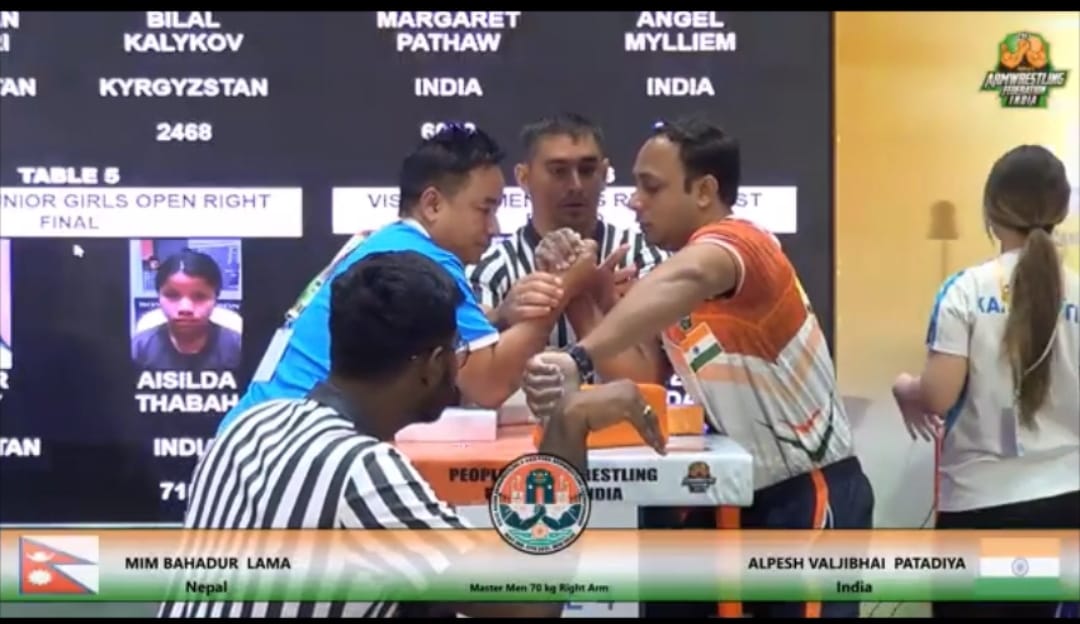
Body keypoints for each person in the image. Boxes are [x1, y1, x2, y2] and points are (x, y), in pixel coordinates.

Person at [159, 250, 664, 618]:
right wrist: (568, 426)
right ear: (435, 365)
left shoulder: (250, 425)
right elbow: (529, 601)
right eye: (459, 351)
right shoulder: (362, 471)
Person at [523, 115, 874, 619]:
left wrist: (578, 356)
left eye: (651, 187)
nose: (633, 201)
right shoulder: (670, 277)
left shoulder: (744, 242)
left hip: (810, 486)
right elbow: (643, 378)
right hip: (738, 494)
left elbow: (690, 274)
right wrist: (583, 296)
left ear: (705, 191)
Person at [217, 125, 596, 435]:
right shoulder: (425, 259)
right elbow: (489, 384)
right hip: (288, 445)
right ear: (433, 204)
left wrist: (501, 316)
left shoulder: (384, 240)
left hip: (254, 436)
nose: (494, 227)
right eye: (485, 210)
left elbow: (443, 342)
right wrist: (562, 290)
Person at [892, 145, 1079, 619]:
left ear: (991, 211)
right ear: (1060, 210)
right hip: (1066, 504)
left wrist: (904, 388)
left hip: (983, 505)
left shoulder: (966, 290)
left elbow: (937, 396)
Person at [469, 113, 668, 382]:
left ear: (605, 173)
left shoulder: (643, 257)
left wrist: (603, 303)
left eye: (587, 170)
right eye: (558, 171)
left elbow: (648, 383)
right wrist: (503, 317)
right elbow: (481, 385)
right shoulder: (492, 270)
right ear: (524, 177)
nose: (575, 185)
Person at [131, 249, 242, 371]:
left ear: (216, 298)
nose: (185, 308)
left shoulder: (238, 346)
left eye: (199, 296)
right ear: (159, 297)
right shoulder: (139, 348)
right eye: (172, 296)